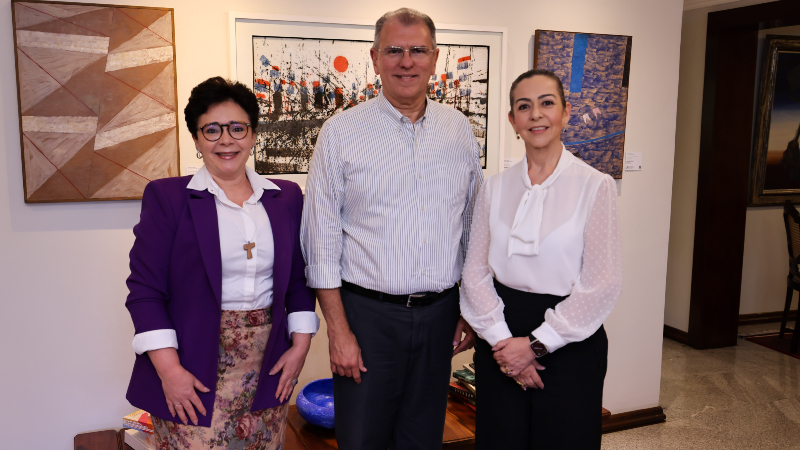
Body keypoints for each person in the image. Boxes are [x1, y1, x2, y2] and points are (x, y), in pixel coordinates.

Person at [300, 8, 482, 450]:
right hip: (367, 319)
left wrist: (469, 307)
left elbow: (473, 226)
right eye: (394, 51)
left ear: (435, 58)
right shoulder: (341, 133)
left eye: (418, 50)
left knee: (423, 438)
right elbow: (320, 242)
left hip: (441, 315)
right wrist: (339, 333)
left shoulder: (458, 130)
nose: (407, 61)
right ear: (375, 57)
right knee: (363, 437)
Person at [125, 77, 319, 449]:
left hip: (266, 367)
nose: (226, 140)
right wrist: (170, 371)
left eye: (237, 128)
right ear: (196, 139)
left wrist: (300, 347)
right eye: (211, 130)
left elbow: (297, 280)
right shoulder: (169, 198)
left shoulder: (287, 197)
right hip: (192, 364)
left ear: (253, 134)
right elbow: (145, 292)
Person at [460, 69, 623, 449]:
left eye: (546, 103)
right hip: (499, 334)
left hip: (569, 343)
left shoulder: (595, 185)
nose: (536, 114)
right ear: (513, 120)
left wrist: (533, 346)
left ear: (565, 113)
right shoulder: (494, 187)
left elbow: (601, 285)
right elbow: (475, 272)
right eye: (524, 106)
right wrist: (505, 346)